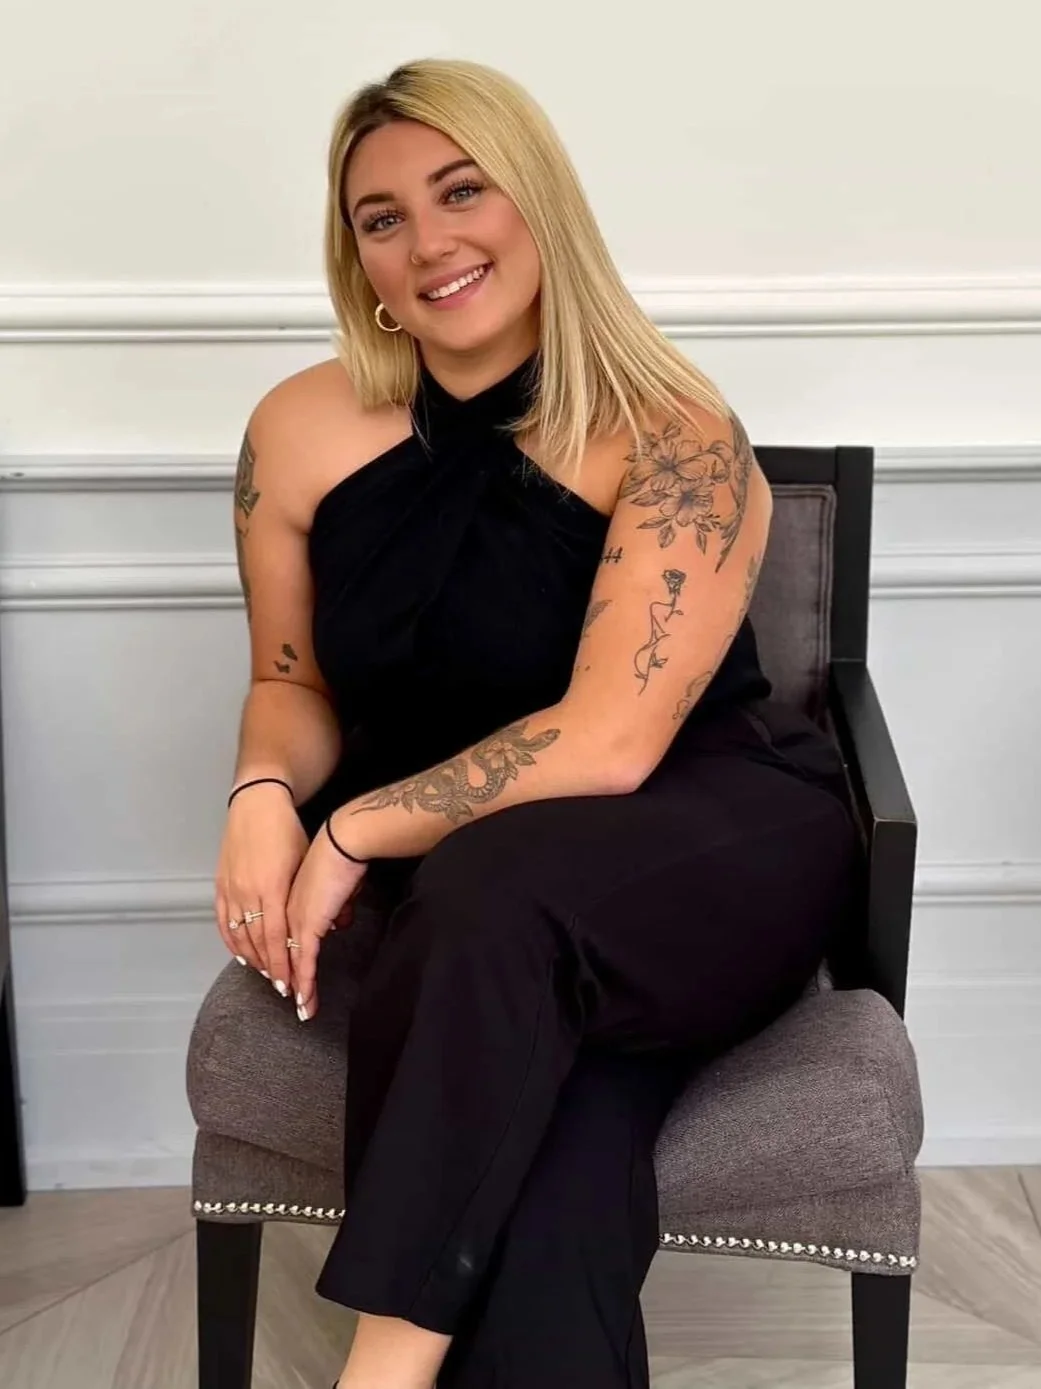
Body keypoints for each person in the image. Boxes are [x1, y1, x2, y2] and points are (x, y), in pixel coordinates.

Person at [213, 57, 858, 1389]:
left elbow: (609, 743)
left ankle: (378, 1372)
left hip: (709, 847)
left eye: (463, 190)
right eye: (381, 217)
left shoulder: (673, 429)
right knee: (557, 1182)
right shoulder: (297, 431)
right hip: (473, 917)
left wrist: (352, 836)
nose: (429, 239)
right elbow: (293, 683)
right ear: (358, 257)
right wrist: (266, 796)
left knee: (493, 883)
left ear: (539, 202)